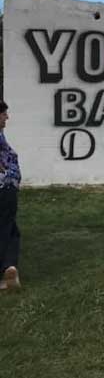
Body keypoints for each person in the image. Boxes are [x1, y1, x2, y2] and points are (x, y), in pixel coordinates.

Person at [0, 101, 22, 290]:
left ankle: (10, 270)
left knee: (8, 227)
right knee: (7, 228)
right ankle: (8, 268)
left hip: (8, 189)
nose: (6, 117)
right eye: (3, 114)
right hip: (4, 189)